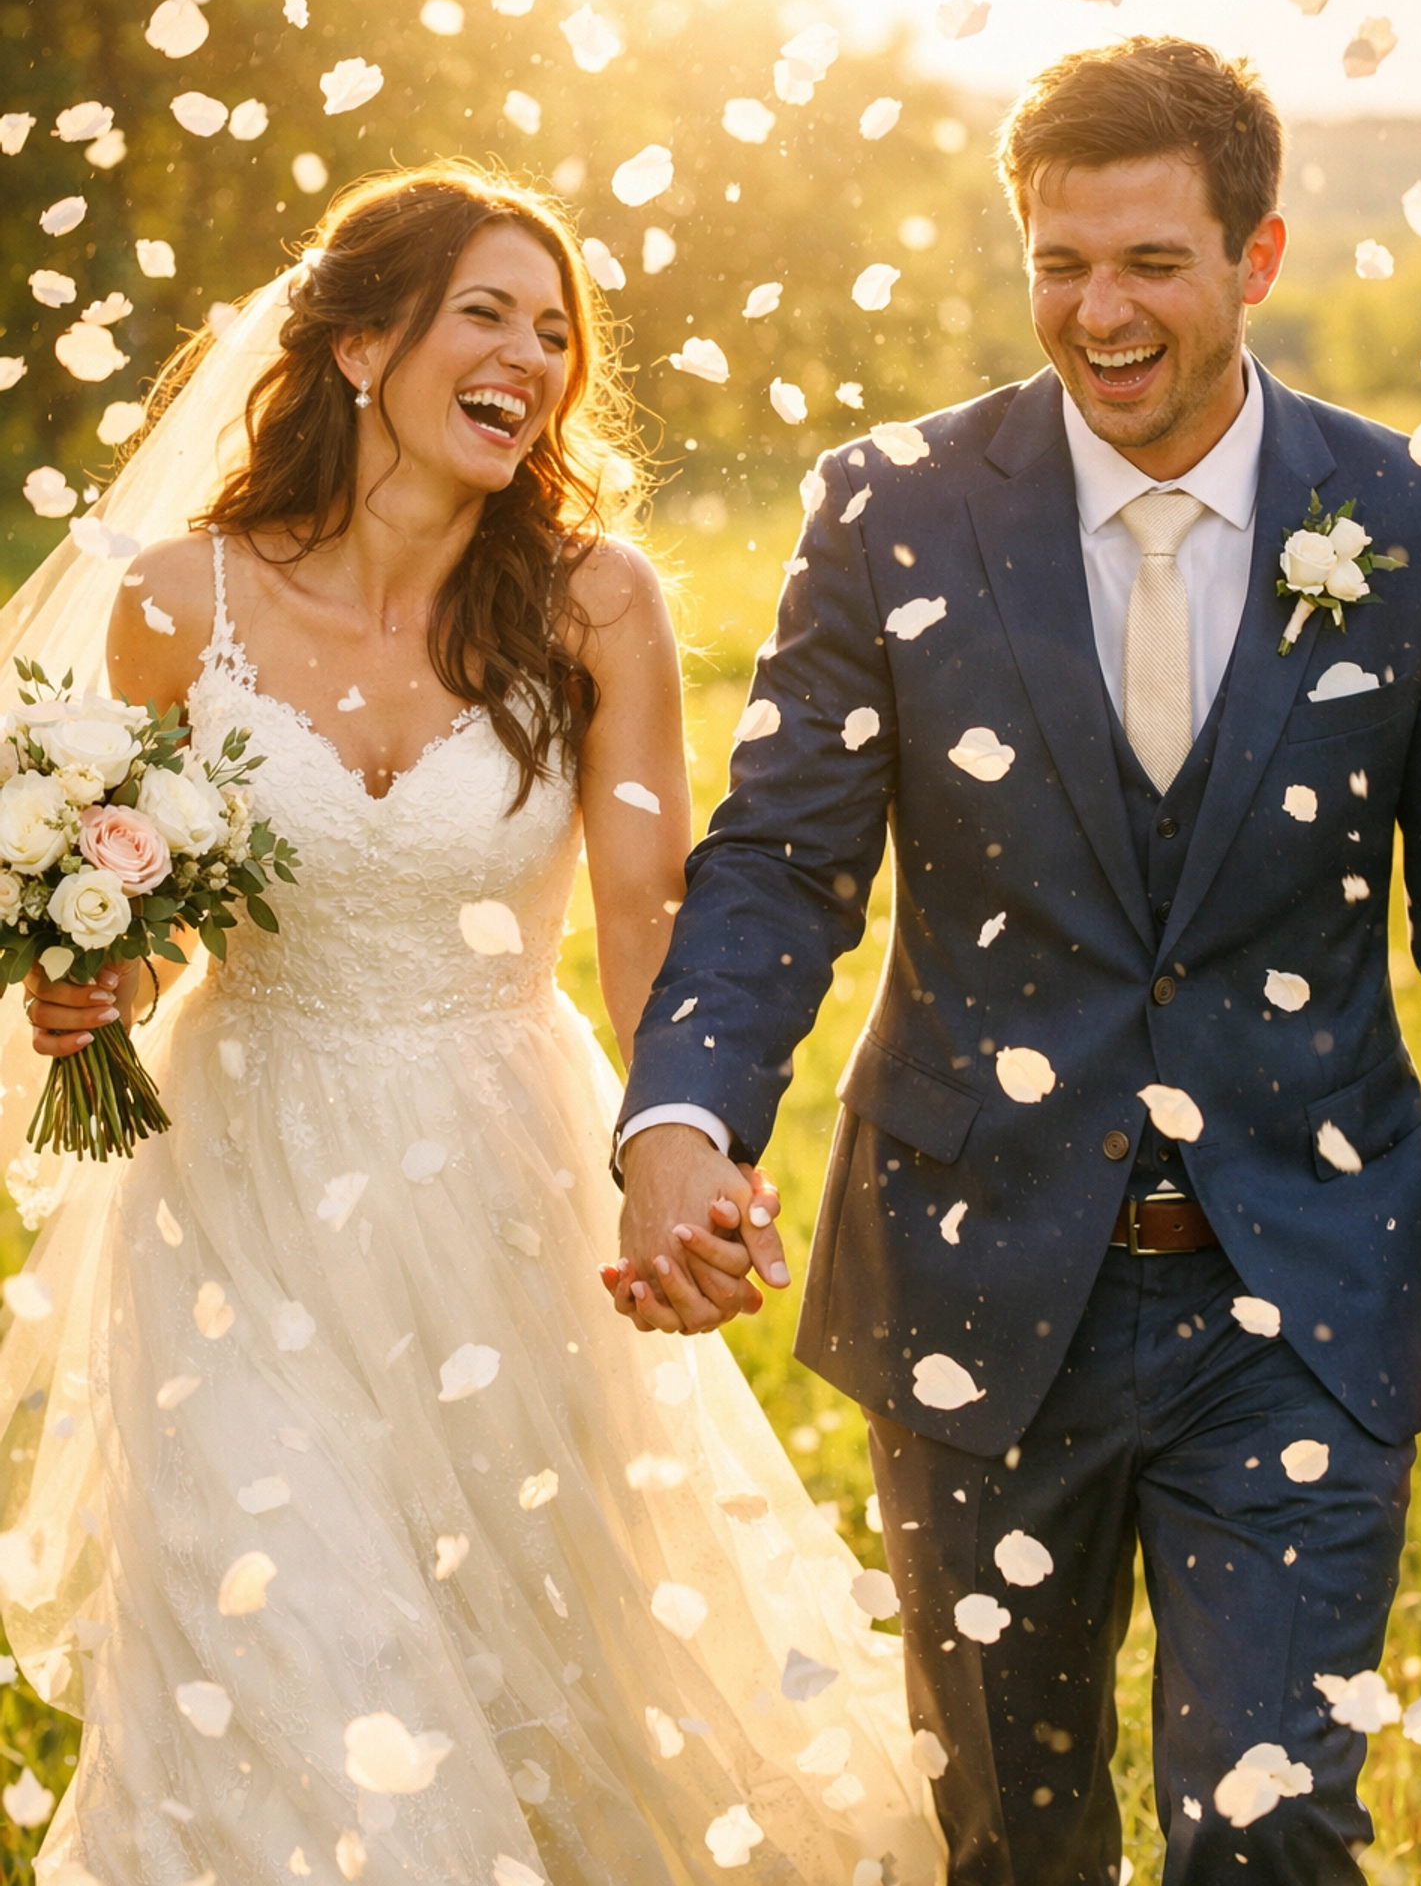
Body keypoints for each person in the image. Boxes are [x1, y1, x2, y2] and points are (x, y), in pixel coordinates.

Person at [610, 40, 1421, 1885]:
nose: (1096, 313)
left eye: (1151, 265)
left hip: (1298, 1308)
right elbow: (785, 858)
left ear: (1259, 257)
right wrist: (682, 1119)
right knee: (1016, 1839)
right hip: (973, 1287)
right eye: (1058, 263)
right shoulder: (894, 507)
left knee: (1273, 1836)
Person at [1, 164, 942, 1885]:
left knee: (548, 1670)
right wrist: (89, 990)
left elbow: (654, 931)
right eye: (487, 314)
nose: (535, 356)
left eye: (559, 331)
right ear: (366, 343)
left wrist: (692, 1156)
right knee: (292, 1657)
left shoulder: (597, 602)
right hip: (237, 1211)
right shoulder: (175, 605)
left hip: (502, 1191)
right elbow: (131, 924)